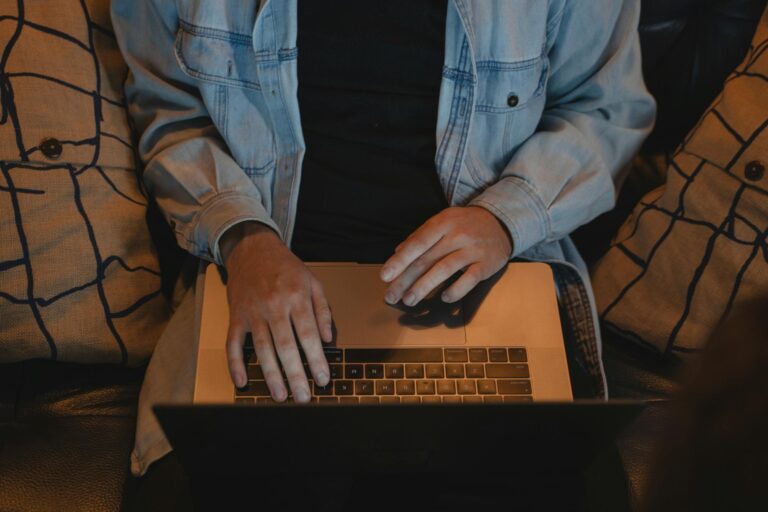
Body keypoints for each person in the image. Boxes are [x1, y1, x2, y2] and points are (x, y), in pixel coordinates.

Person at [112, 0, 655, 407]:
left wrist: (504, 217)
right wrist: (243, 239)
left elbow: (605, 109)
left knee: (515, 479)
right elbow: (168, 112)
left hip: (485, 280)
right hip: (265, 277)